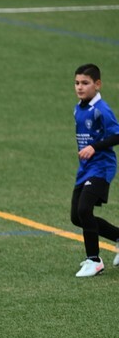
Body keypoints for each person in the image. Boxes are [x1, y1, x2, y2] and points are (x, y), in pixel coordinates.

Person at [70, 63, 119, 277]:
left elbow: (117, 134)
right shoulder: (78, 108)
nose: (80, 87)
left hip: (102, 167)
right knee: (77, 217)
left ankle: (94, 260)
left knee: (84, 210)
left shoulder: (101, 109)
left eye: (85, 83)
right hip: (86, 169)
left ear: (97, 85)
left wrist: (94, 147)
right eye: (77, 83)